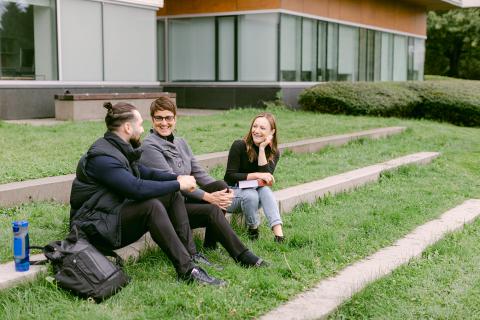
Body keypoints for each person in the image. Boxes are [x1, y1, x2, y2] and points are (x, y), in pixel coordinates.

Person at [69, 101, 225, 286]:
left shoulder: (119, 148)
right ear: (128, 127)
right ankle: (187, 271)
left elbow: (146, 173)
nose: (143, 129)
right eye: (140, 124)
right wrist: (177, 184)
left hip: (110, 215)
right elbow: (135, 188)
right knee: (152, 206)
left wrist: (177, 179)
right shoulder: (102, 157)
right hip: (93, 227)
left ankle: (190, 257)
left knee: (171, 192)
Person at [140, 97, 267, 268]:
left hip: (186, 201)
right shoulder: (149, 146)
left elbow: (199, 173)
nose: (164, 123)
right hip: (170, 208)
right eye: (159, 118)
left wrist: (226, 192)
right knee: (210, 209)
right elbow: (174, 182)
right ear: (152, 119)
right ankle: (243, 256)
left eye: (168, 117)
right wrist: (208, 197)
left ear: (175, 119)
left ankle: (211, 244)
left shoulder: (181, 142)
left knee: (221, 186)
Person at [224, 112, 285, 243]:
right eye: (255, 126)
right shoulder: (239, 145)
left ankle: (279, 235)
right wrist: (257, 175)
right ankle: (253, 228)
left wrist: (262, 149)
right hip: (233, 194)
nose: (256, 131)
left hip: (255, 193)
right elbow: (230, 177)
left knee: (265, 191)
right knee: (251, 194)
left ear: (272, 132)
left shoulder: (274, 152)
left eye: (262, 128)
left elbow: (264, 180)